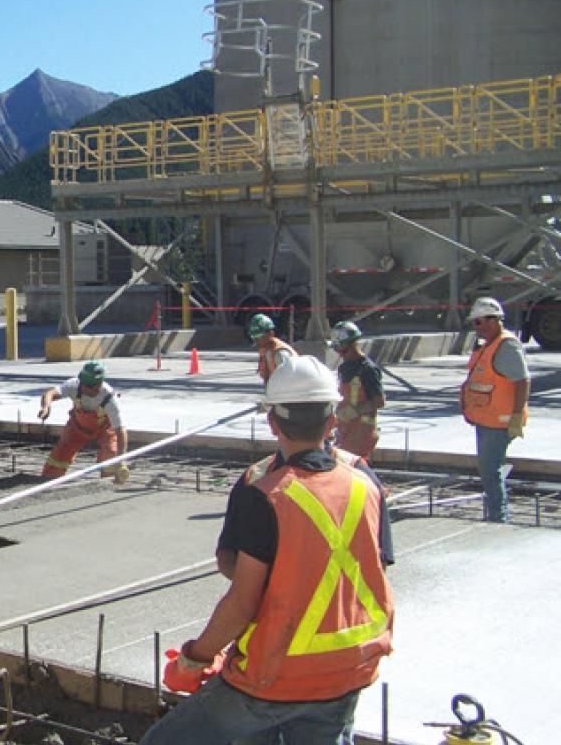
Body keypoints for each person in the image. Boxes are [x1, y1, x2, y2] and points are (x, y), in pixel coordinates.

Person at [143, 355, 394, 744]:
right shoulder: (366, 482)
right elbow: (373, 569)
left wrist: (196, 657)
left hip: (273, 676)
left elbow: (242, 600)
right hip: (350, 668)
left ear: (272, 422)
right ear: (333, 420)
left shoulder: (263, 493)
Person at [461, 297, 530, 523]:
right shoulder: (488, 346)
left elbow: (522, 381)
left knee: (490, 472)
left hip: (498, 423)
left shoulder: (505, 346)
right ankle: (497, 516)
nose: (476, 328)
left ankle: (498, 520)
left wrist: (516, 416)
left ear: (493, 320)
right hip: (486, 420)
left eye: (478, 323)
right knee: (490, 469)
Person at [37, 361, 130, 482]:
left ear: (99, 384)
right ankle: (48, 481)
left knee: (111, 453)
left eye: (93, 386)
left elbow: (120, 431)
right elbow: (50, 393)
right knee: (61, 454)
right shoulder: (74, 385)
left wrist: (120, 460)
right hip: (77, 428)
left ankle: (109, 483)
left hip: (104, 430)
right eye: (86, 386)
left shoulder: (109, 398)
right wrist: (46, 407)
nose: (87, 389)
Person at [330, 320, 385, 460]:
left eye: (343, 349)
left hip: (361, 432)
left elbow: (379, 401)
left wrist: (355, 411)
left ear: (353, 343)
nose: (340, 354)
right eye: (337, 350)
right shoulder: (344, 368)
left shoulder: (368, 369)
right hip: (346, 430)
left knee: (353, 469)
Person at [248, 312, 295, 385]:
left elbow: (290, 379)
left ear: (271, 334)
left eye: (259, 337)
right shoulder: (266, 351)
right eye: (254, 337)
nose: (256, 341)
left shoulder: (280, 353)